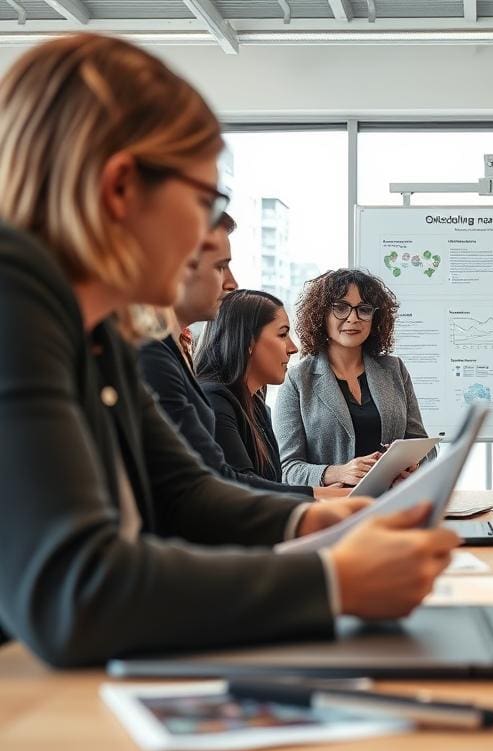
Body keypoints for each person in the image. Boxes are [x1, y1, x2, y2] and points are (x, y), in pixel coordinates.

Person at [0, 33, 458, 667]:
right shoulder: (14, 300)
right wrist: (333, 582)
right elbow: (76, 590)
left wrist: (310, 527)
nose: (208, 235)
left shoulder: (94, 326)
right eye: (204, 201)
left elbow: (184, 492)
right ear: (121, 188)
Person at [138, 214, 334, 498]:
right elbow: (222, 485)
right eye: (220, 267)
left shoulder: (254, 403)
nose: (231, 282)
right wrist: (332, 499)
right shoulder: (159, 359)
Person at [275, 268, 434, 488]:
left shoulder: (394, 369)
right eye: (341, 307)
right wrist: (338, 473)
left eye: (364, 309)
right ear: (321, 314)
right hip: (333, 512)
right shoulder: (298, 381)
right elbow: (288, 470)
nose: (353, 318)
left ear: (374, 317)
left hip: (393, 505)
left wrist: (414, 465)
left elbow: (426, 449)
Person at [194, 290, 301, 486]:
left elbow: (270, 487)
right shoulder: (214, 401)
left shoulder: (256, 404)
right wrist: (331, 496)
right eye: (283, 334)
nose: (293, 348)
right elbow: (246, 487)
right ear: (248, 342)